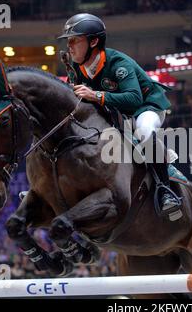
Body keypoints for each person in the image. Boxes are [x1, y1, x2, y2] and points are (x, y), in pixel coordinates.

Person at [58, 13, 181, 216]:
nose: (69, 46)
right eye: (68, 41)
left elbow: (134, 98)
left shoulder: (118, 64)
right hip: (117, 113)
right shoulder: (78, 68)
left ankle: (165, 190)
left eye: (74, 40)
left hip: (146, 107)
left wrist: (95, 94)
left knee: (144, 131)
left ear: (94, 41)